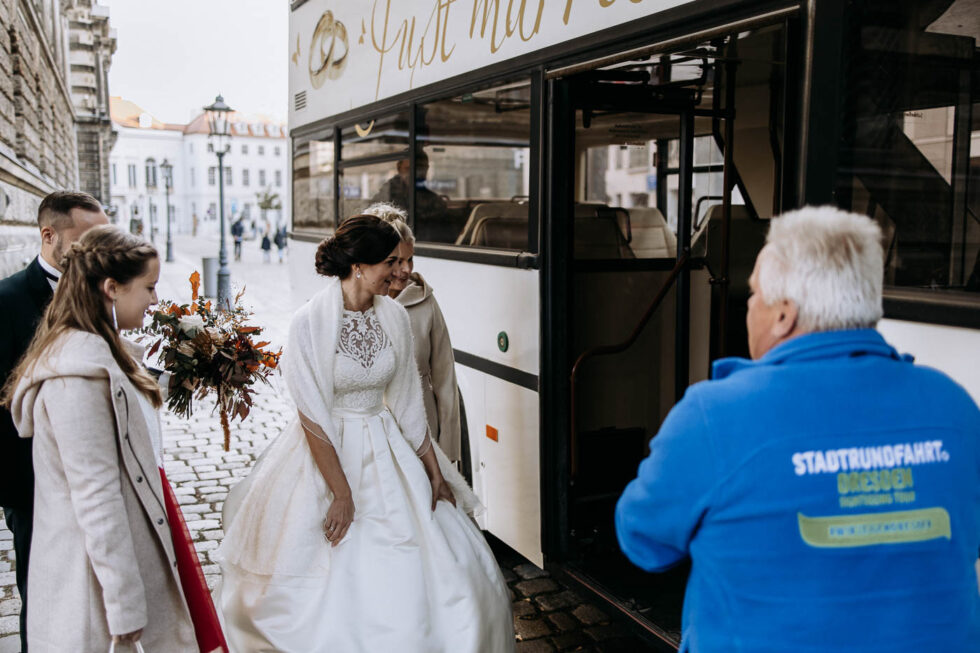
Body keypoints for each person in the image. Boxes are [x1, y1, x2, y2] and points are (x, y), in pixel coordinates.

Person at [615, 206, 980, 652]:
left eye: (753, 293)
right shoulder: (955, 407)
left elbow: (643, 540)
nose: (748, 305)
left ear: (784, 315)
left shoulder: (713, 417)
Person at [216, 214, 514, 652]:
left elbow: (408, 403)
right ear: (359, 265)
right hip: (327, 447)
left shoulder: (393, 316)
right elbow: (311, 415)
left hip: (385, 438)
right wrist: (341, 493)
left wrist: (435, 473)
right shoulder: (308, 322)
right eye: (389, 263)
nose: (399, 272)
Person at [3, 225, 228, 652]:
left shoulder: (99, 354)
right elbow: (96, 495)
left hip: (121, 561)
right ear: (112, 288)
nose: (155, 300)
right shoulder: (77, 379)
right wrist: (124, 605)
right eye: (149, 287)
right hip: (93, 584)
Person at [0, 190, 108, 652]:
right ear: (49, 236)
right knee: (43, 597)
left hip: (96, 479)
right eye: (88, 240)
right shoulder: (6, 300)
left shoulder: (102, 294)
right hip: (33, 483)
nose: (99, 251)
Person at [364, 202, 462, 463]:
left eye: (410, 259)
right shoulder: (357, 304)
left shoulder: (425, 301)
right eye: (396, 261)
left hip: (422, 436)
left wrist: (448, 452)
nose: (406, 269)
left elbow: (445, 381)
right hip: (373, 441)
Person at [371, 152, 447, 221]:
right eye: (408, 169)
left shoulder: (430, 197)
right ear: (399, 169)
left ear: (427, 168)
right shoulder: (388, 192)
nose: (416, 174)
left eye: (421, 169)